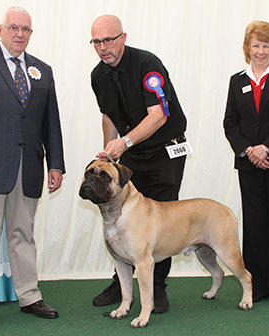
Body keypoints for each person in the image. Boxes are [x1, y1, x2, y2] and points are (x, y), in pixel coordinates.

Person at [90, 15, 187, 314]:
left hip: (164, 150)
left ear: (123, 37)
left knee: (162, 222)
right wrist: (110, 152)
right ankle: (121, 284)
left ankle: (158, 287)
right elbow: (108, 116)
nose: (103, 47)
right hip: (132, 151)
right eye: (97, 42)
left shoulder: (147, 64)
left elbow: (159, 115)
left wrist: (125, 143)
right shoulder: (98, 75)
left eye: (108, 39)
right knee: (123, 221)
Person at [0, 6, 65, 329]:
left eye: (26, 30)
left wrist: (56, 163)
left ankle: (30, 296)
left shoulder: (42, 70)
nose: (20, 34)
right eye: (14, 28)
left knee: (23, 234)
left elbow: (52, 122)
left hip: (30, 166)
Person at [224, 20, 269, 306]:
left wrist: (268, 149)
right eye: (255, 45)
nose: (261, 51)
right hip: (249, 165)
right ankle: (257, 285)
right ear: (247, 49)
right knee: (254, 225)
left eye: (266, 45)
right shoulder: (237, 81)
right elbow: (230, 123)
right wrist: (250, 150)